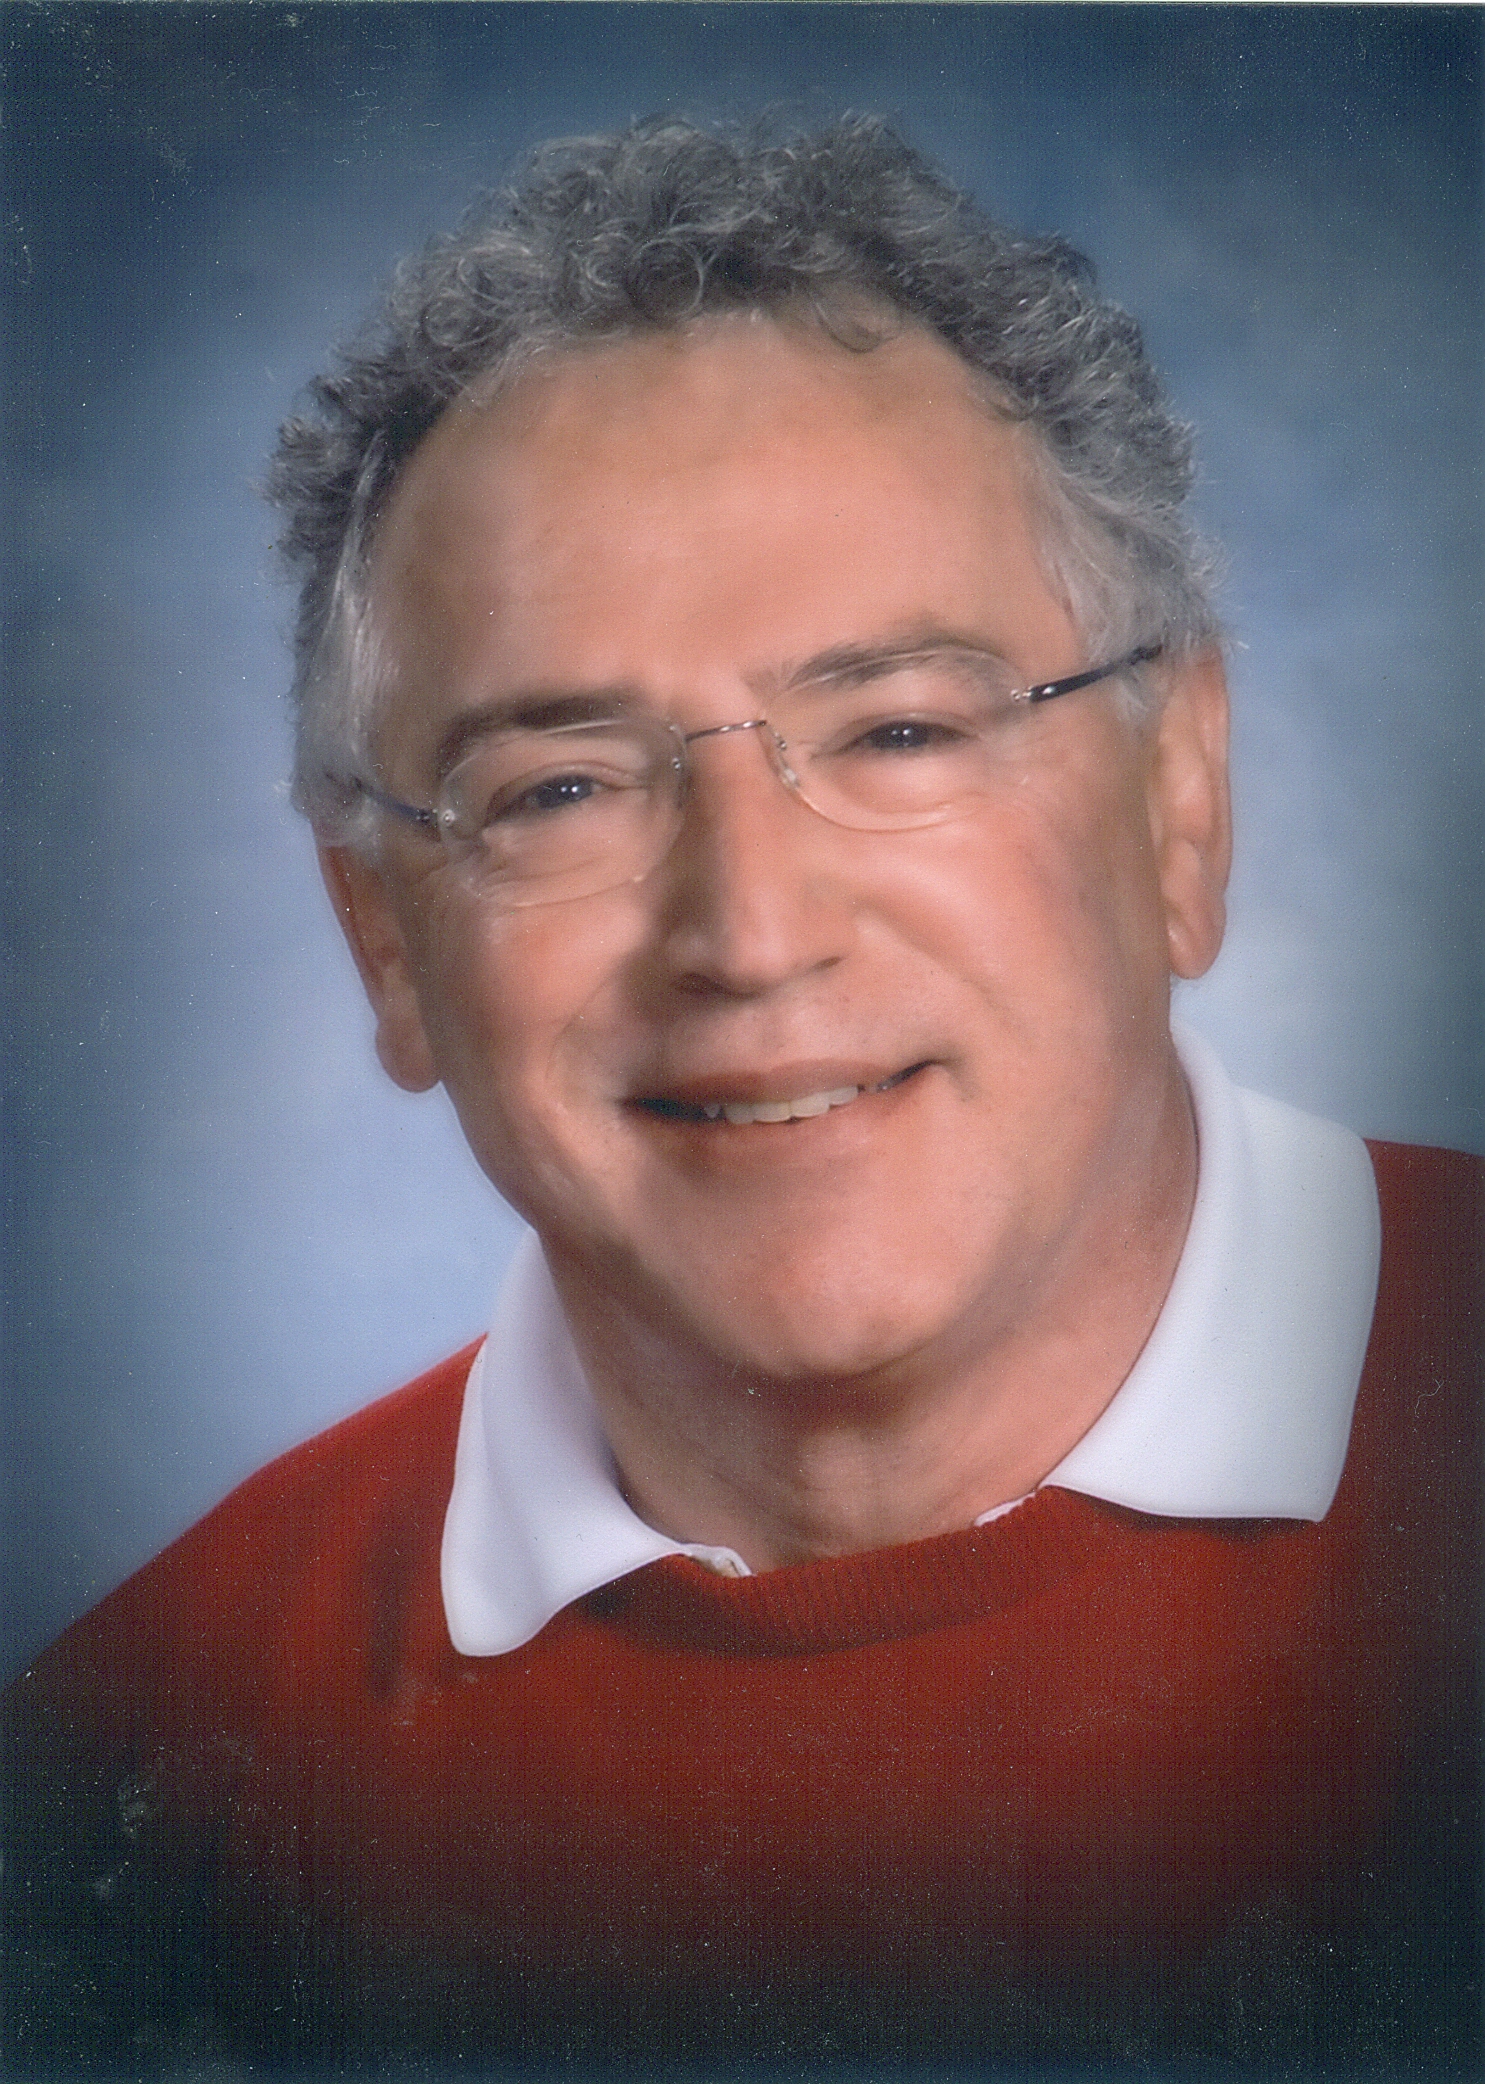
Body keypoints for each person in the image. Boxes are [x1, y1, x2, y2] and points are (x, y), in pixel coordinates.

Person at [4, 116, 1478, 2075]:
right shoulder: (127, 1783)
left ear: (1177, 801)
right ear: (383, 942)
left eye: (896, 729)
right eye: (558, 788)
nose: (751, 934)